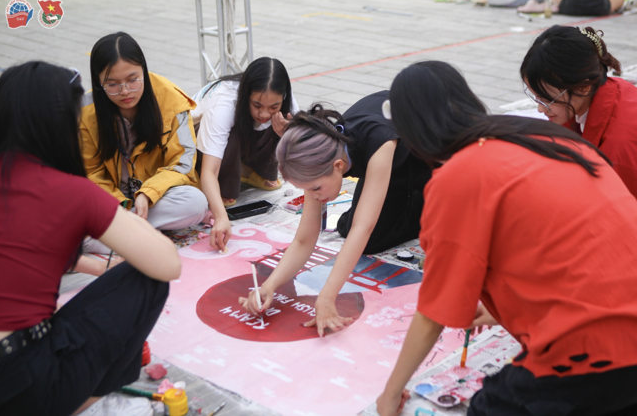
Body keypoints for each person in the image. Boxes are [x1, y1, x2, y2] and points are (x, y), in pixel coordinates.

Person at [374, 61, 637, 416]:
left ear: (412, 131)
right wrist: (500, 311)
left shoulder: (460, 176)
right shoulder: (543, 136)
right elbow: (572, 241)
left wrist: (390, 395)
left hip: (600, 346)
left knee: (490, 407)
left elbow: (433, 314)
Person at [0, 61, 181, 416]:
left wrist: (91, 264)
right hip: (25, 383)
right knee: (147, 278)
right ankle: (93, 402)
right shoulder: (70, 191)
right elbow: (168, 264)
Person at [238, 91, 432, 336]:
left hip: (429, 155)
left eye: (315, 188)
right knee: (359, 233)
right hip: (390, 161)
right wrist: (269, 286)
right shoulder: (317, 160)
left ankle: (429, 205)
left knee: (363, 232)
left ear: (338, 166)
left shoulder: (378, 142)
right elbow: (304, 239)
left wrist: (328, 296)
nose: (314, 196)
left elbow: (363, 227)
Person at [80, 32, 208, 253]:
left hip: (156, 197)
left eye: (133, 80)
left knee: (195, 202)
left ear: (144, 71)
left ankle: (123, 236)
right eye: (112, 84)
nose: (125, 91)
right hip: (114, 203)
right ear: (98, 82)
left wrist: (148, 193)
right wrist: (119, 205)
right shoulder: (86, 111)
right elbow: (90, 174)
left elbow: (183, 163)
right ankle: (137, 232)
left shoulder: (171, 100)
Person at [191, 57, 299, 251]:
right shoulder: (224, 103)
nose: (264, 114)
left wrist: (288, 135)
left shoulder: (284, 100)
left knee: (284, 125)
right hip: (195, 147)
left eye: (273, 107)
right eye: (257, 105)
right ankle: (225, 184)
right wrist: (221, 217)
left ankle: (252, 172)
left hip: (243, 140)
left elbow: (304, 146)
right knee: (231, 134)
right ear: (245, 94)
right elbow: (209, 171)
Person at [521, 25, 637, 198]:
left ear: (582, 87)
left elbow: (618, 209)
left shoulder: (617, 153)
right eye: (536, 97)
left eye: (548, 99)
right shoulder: (609, 89)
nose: (540, 108)